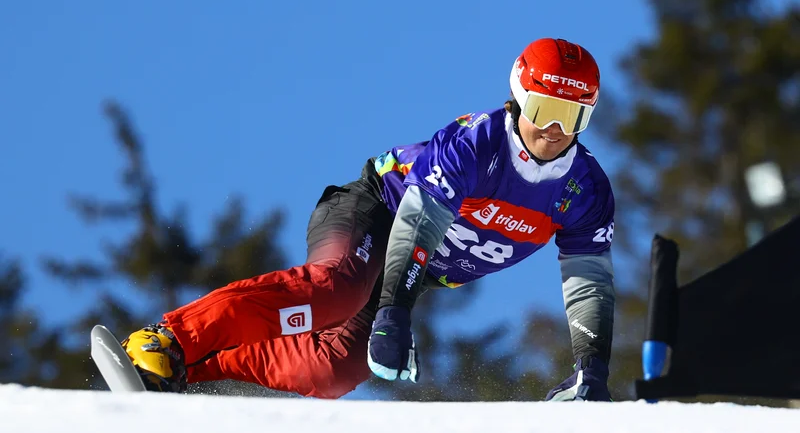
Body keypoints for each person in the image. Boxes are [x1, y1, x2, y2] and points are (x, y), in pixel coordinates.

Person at [121, 37, 616, 401]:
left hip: (410, 272)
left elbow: (588, 283)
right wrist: (394, 312)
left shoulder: (587, 190)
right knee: (334, 291)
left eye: (571, 116)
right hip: (376, 211)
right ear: (517, 97)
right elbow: (418, 222)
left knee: (335, 370)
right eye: (544, 108)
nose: (553, 130)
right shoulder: (476, 144)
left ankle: (186, 372)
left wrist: (591, 369)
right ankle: (167, 338)